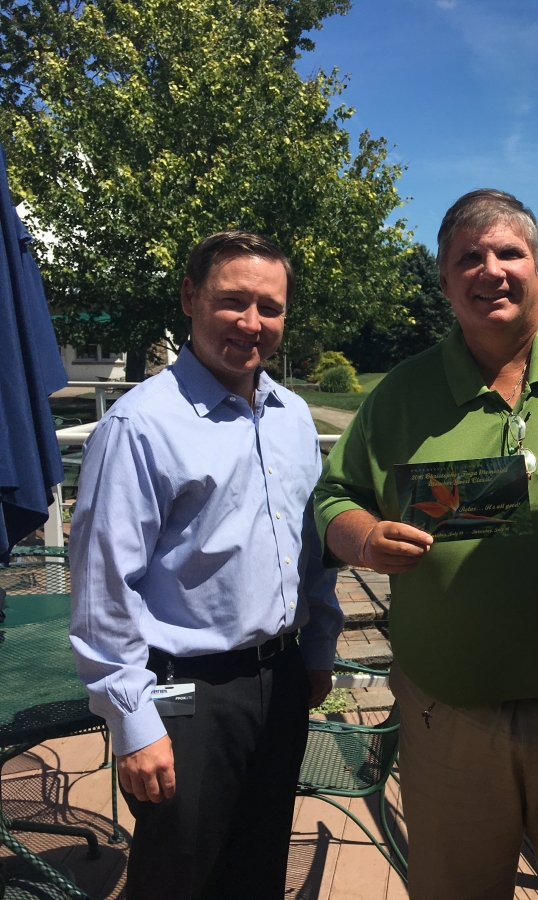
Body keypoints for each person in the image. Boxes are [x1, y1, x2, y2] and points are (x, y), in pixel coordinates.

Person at [314, 189, 538, 899]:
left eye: (510, 252)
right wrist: (363, 538)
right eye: (468, 259)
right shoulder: (402, 393)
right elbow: (332, 496)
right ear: (445, 281)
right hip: (447, 712)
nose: (492, 271)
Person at [69, 231, 343, 899]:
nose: (253, 324)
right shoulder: (140, 426)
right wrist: (133, 724)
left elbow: (310, 548)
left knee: (256, 868)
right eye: (233, 301)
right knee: (178, 878)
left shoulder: (293, 417)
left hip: (279, 682)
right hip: (184, 695)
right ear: (191, 298)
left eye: (270, 308)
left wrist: (318, 649)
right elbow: (105, 586)